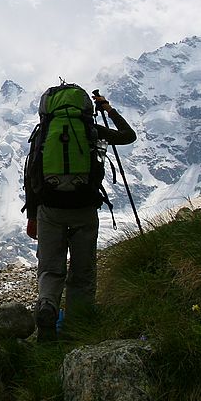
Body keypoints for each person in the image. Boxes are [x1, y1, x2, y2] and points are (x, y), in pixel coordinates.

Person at [24, 89, 137, 342]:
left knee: (50, 268)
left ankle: (47, 308)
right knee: (82, 270)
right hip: (84, 209)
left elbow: (31, 176)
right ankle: (77, 328)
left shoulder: (43, 133)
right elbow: (129, 137)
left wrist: (32, 216)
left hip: (50, 209)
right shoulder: (91, 130)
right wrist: (108, 109)